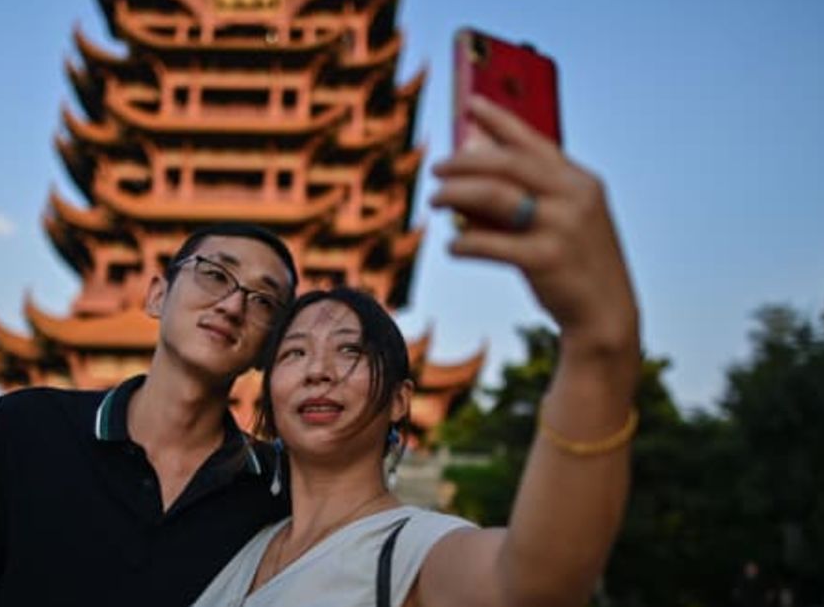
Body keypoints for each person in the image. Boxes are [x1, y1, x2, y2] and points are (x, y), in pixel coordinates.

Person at [192, 95, 641, 607]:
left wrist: (599, 346)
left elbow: (534, 583)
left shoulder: (417, 550)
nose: (319, 370)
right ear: (268, 392)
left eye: (350, 351)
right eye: (293, 353)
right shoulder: (236, 551)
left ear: (402, 399)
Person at [0, 223, 298, 606]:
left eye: (264, 300)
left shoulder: (274, 491)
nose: (232, 306)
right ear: (157, 296)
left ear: (270, 349)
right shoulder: (27, 426)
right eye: (214, 275)